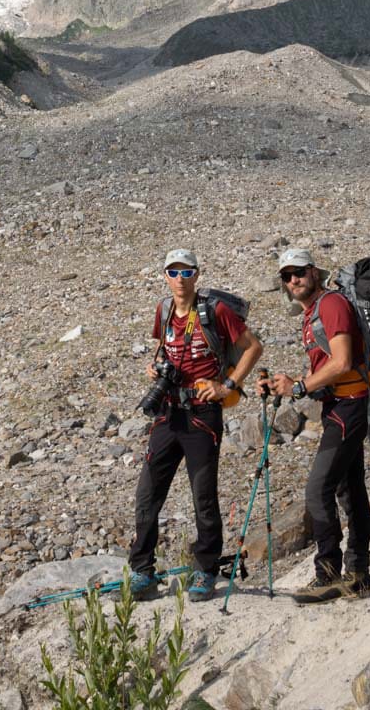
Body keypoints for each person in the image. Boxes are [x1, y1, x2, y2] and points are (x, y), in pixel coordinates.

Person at [128, 248, 263, 603]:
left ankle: (205, 569)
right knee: (147, 493)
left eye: (186, 273)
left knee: (203, 495)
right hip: (167, 412)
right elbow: (163, 346)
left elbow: (252, 347)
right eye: (173, 273)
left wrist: (228, 385)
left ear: (197, 275)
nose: (179, 279)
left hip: (203, 414)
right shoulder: (163, 309)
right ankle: (142, 570)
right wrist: (155, 367)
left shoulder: (214, 311)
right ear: (165, 276)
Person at [262, 248, 370, 604]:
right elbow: (329, 369)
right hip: (338, 406)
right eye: (286, 276)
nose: (292, 280)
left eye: (298, 272)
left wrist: (298, 387)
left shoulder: (331, 304)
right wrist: (292, 381)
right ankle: (359, 574)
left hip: (350, 405)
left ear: (313, 271)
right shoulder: (313, 313)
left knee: (318, 489)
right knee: (350, 490)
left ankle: (328, 573)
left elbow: (342, 362)